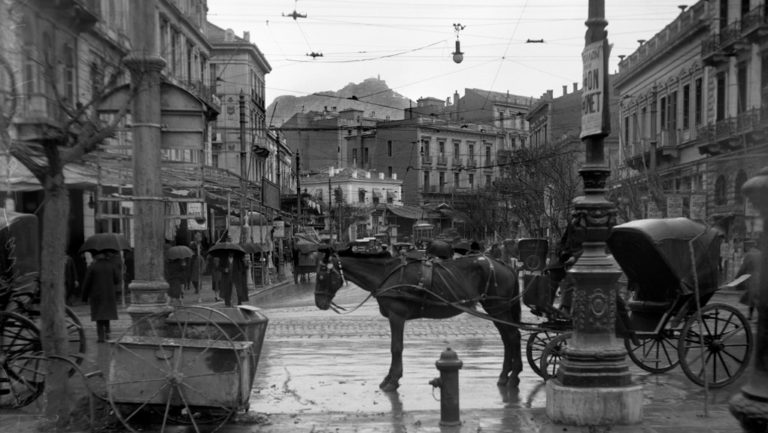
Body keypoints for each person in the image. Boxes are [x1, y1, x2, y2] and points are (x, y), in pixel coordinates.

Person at [81, 250, 121, 343]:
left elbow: (87, 282)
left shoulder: (93, 266)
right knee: (107, 314)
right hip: (109, 294)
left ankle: (100, 336)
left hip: (97, 295)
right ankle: (107, 332)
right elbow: (117, 279)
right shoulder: (111, 265)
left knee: (99, 316)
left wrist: (84, 297)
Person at [736, 240, 761, 320]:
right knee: (754, 298)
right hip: (761, 278)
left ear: (747, 246)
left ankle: (757, 316)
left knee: (754, 298)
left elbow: (743, 268)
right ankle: (750, 316)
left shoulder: (749, 255)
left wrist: (737, 278)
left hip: (753, 279)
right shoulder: (760, 253)